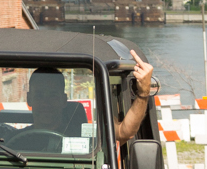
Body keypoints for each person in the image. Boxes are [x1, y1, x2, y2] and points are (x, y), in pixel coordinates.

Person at [26, 49, 158, 143]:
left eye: (53, 96)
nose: (45, 103)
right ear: (29, 99)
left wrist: (143, 93)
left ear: (64, 101)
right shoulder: (14, 141)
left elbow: (124, 132)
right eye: (39, 96)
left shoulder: (87, 138)